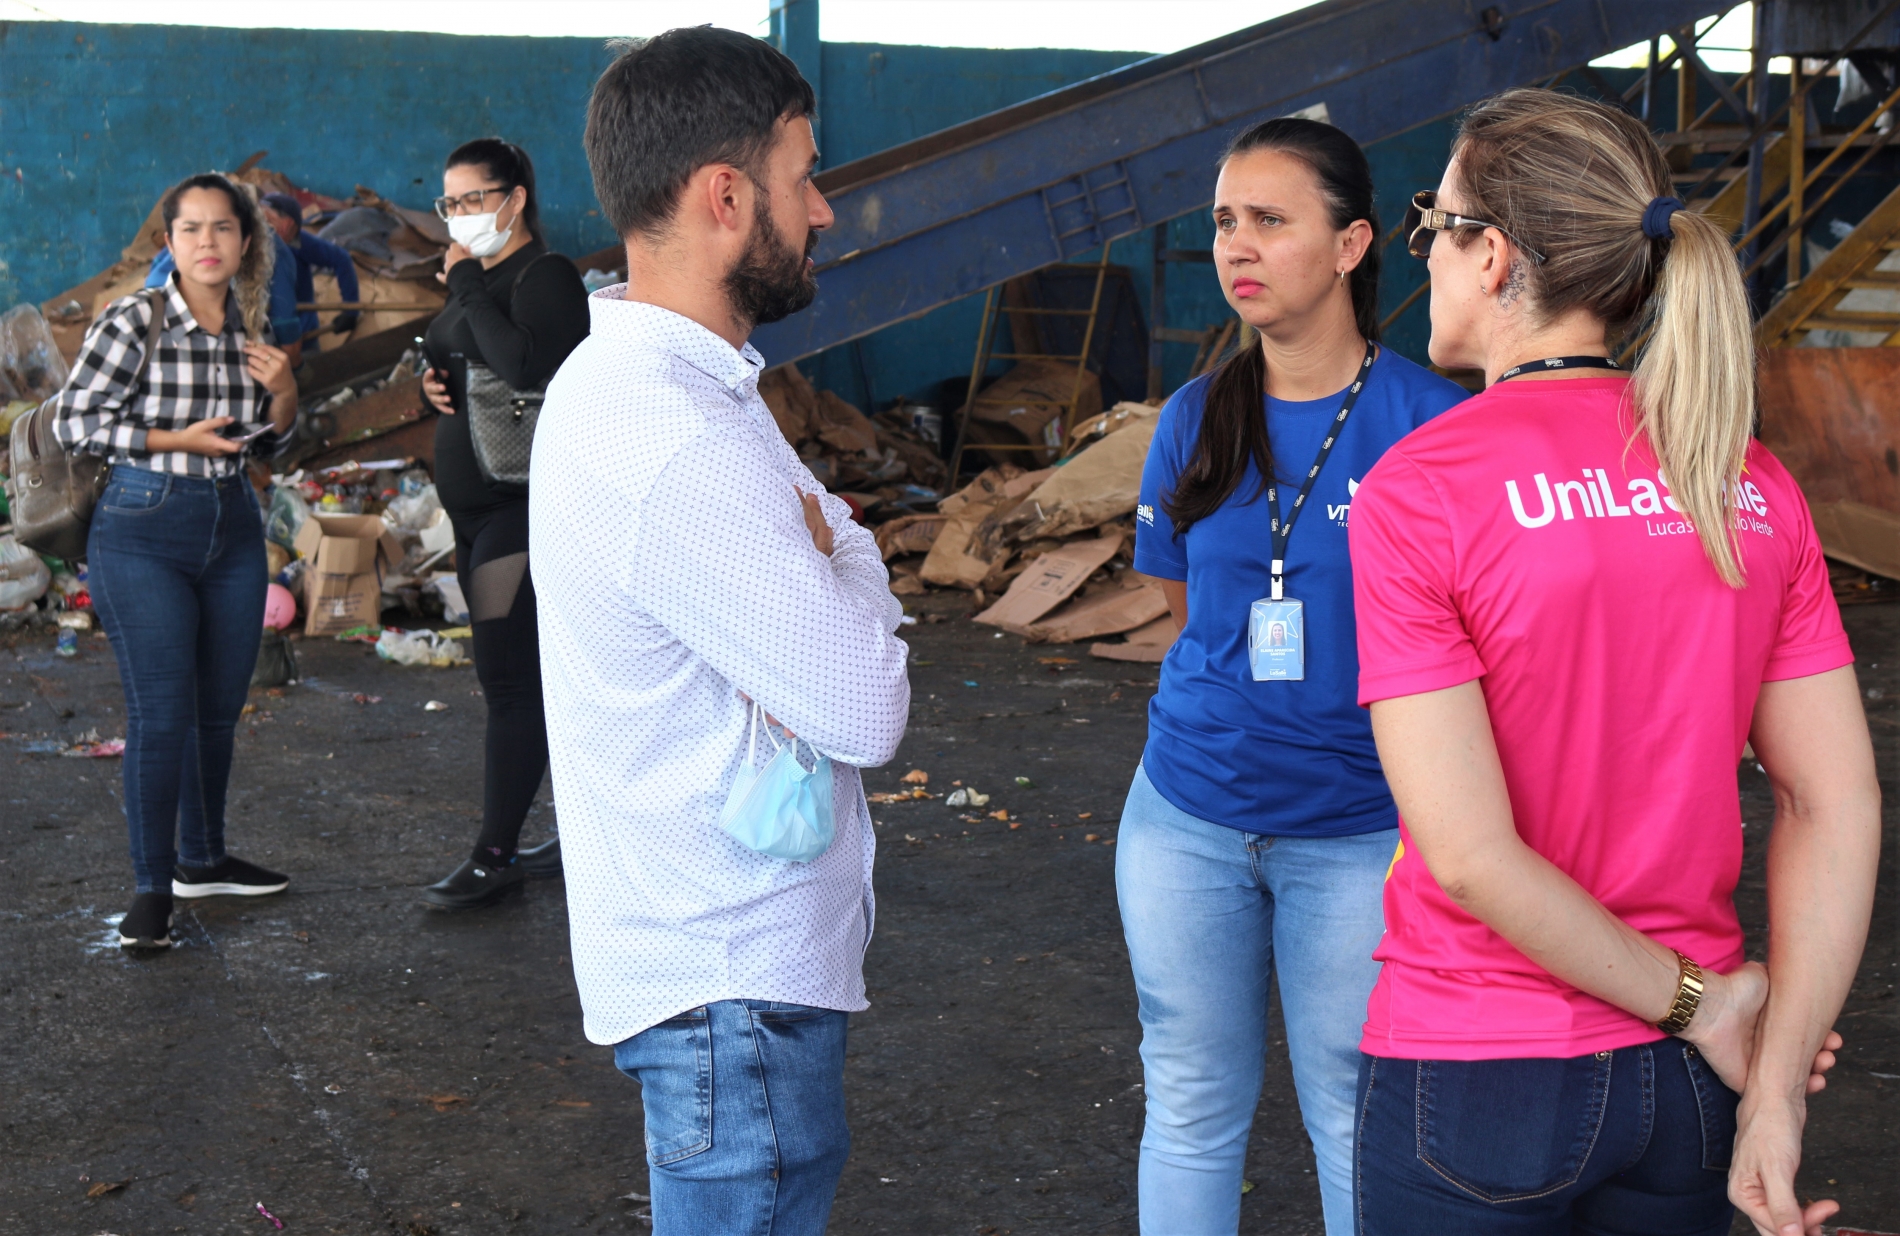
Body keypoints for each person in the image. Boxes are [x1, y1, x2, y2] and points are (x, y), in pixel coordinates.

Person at [1349, 88, 1878, 1236]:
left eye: (1432, 223)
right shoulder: (1744, 478)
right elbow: (1830, 802)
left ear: (1491, 255)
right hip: (1687, 1100)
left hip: (1483, 1069)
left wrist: (1702, 1008)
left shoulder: (1421, 490)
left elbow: (1473, 858)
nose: (1422, 254)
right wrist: (1773, 1087)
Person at [532, 28, 909, 1234]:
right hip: (732, 991)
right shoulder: (674, 433)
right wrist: (850, 555)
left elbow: (818, 550)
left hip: (720, 982)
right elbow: (866, 708)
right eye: (806, 176)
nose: (823, 210)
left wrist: (825, 547)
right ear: (727, 197)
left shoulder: (666, 387)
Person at [1120, 118, 1467, 1236]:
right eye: (1226, 220)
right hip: (1186, 819)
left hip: (1363, 832)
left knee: (1354, 1109)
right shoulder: (1194, 416)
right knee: (1188, 1101)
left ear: (1353, 245)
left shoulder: (1435, 428)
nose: (1238, 244)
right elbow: (1186, 611)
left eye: (1270, 220)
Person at [50, 172, 300, 949]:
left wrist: (285, 392)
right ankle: (151, 891)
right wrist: (172, 440)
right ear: (169, 243)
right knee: (161, 715)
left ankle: (203, 858)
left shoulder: (249, 327)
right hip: (143, 528)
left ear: (246, 241)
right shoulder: (135, 319)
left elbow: (275, 441)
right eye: (190, 229)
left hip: (233, 529)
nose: (207, 242)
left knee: (217, 714)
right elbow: (73, 422)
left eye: (222, 227)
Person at [415, 138, 589, 909]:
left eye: (473, 199)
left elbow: (524, 366)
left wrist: (463, 285)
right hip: (473, 516)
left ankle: (495, 855)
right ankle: (581, 832)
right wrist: (430, 382)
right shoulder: (478, 280)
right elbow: (465, 358)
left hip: (519, 511)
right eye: (449, 202)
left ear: (515, 200)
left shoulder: (546, 276)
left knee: (511, 680)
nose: (459, 214)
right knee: (529, 678)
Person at [147, 205, 304, 368]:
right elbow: (289, 342)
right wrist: (293, 372)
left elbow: (155, 273)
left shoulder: (186, 239)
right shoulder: (273, 248)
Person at [259, 191, 361, 351]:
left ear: (288, 225)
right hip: (262, 337)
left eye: (269, 220)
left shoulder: (298, 243)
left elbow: (341, 259)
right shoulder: (250, 242)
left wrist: (351, 310)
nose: (263, 224)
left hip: (302, 336)